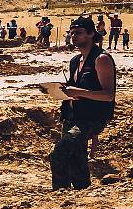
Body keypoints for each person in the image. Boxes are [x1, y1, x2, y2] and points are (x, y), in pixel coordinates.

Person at [49, 17, 116, 190]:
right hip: (72, 116)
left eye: (78, 33)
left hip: (91, 119)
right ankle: (81, 194)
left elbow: (108, 95)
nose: (74, 37)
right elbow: (75, 87)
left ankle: (60, 193)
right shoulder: (75, 61)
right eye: (72, 33)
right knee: (76, 159)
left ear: (91, 34)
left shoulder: (101, 59)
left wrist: (78, 92)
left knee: (59, 153)